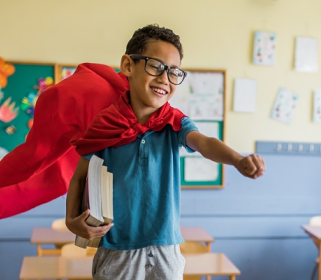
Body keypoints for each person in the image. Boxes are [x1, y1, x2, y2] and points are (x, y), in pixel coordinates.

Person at [65, 24, 265, 280]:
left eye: (174, 72)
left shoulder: (175, 123)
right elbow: (79, 177)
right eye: (155, 66)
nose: (164, 79)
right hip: (117, 249)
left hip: (166, 248)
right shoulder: (106, 124)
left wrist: (237, 159)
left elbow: (204, 143)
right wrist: (72, 221)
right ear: (128, 65)